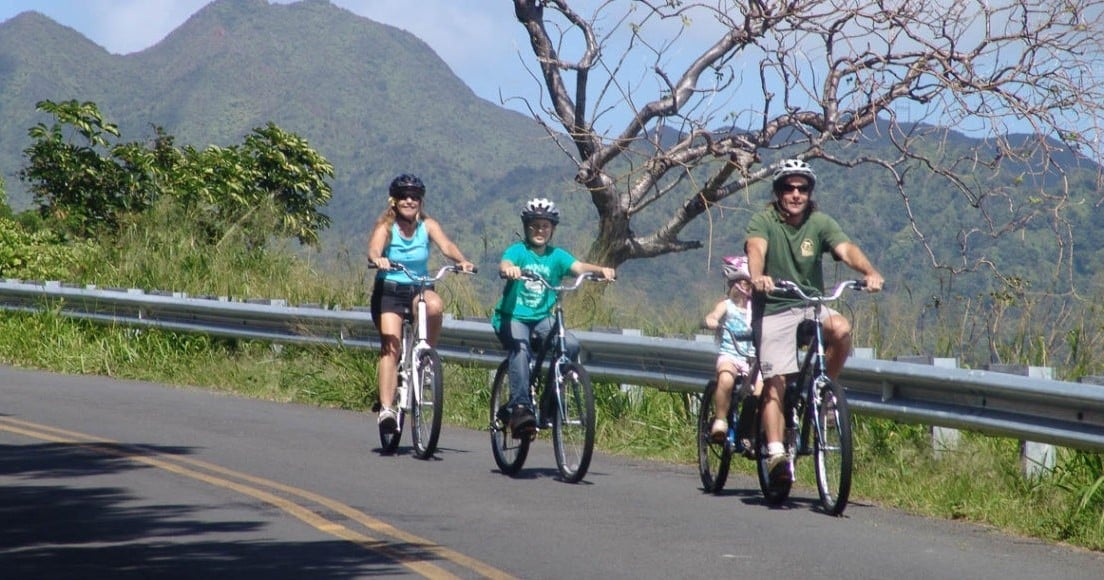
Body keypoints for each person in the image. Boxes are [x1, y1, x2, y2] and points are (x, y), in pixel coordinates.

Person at [745, 158, 884, 483]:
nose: (796, 194)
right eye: (789, 188)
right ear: (778, 191)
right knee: (776, 381)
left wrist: (869, 272)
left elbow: (845, 248)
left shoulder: (819, 222)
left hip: (810, 305)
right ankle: (776, 453)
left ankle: (821, 396)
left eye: (803, 188)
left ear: (810, 192)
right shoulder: (764, 220)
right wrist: (758, 276)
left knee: (841, 328)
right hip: (775, 308)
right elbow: (756, 249)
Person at [492, 197, 616, 439]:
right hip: (513, 317)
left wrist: (601, 270)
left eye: (545, 226)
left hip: (541, 318)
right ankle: (520, 407)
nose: (540, 231)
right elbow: (505, 263)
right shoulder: (518, 251)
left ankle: (549, 405)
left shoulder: (556, 256)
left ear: (552, 230)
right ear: (526, 227)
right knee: (520, 350)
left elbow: (579, 267)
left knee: (570, 345)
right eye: (535, 226)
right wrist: (509, 269)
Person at [367, 173, 475, 434]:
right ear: (394, 201)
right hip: (390, 291)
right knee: (391, 348)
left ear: (420, 201)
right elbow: (373, 248)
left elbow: (446, 245)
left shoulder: (428, 225)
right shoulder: (386, 226)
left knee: (435, 305)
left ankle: (426, 358)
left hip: (419, 287)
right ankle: (387, 409)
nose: (409, 201)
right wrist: (378, 259)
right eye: (403, 196)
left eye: (414, 197)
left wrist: (462, 261)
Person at [702, 255, 762, 445]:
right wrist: (712, 320)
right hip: (730, 353)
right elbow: (714, 315)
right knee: (726, 379)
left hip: (754, 359)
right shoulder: (726, 305)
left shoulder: (758, 309)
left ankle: (752, 432)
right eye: (743, 283)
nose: (746, 288)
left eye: (749, 283)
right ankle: (720, 419)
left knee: (760, 393)